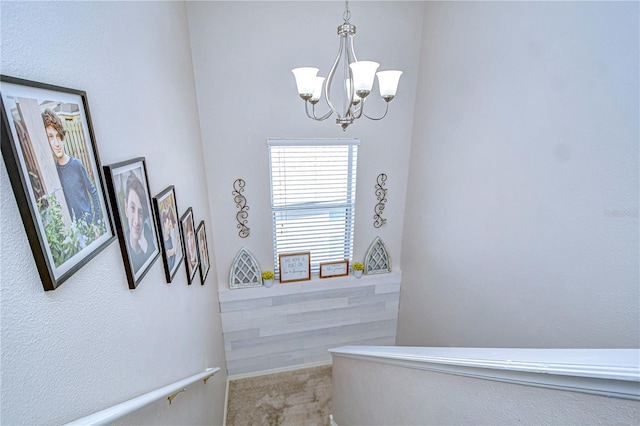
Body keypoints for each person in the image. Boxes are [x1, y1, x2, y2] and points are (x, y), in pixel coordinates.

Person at [42, 108, 102, 225]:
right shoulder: (54, 172)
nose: (56, 143)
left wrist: (97, 220)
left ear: (63, 138)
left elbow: (93, 192)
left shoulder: (76, 164)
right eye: (51, 137)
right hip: (73, 229)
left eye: (58, 136)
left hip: (88, 224)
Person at [123, 171, 156, 273]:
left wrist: (146, 247)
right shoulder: (125, 249)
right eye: (132, 208)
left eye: (140, 212)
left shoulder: (149, 238)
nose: (137, 220)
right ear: (126, 207)